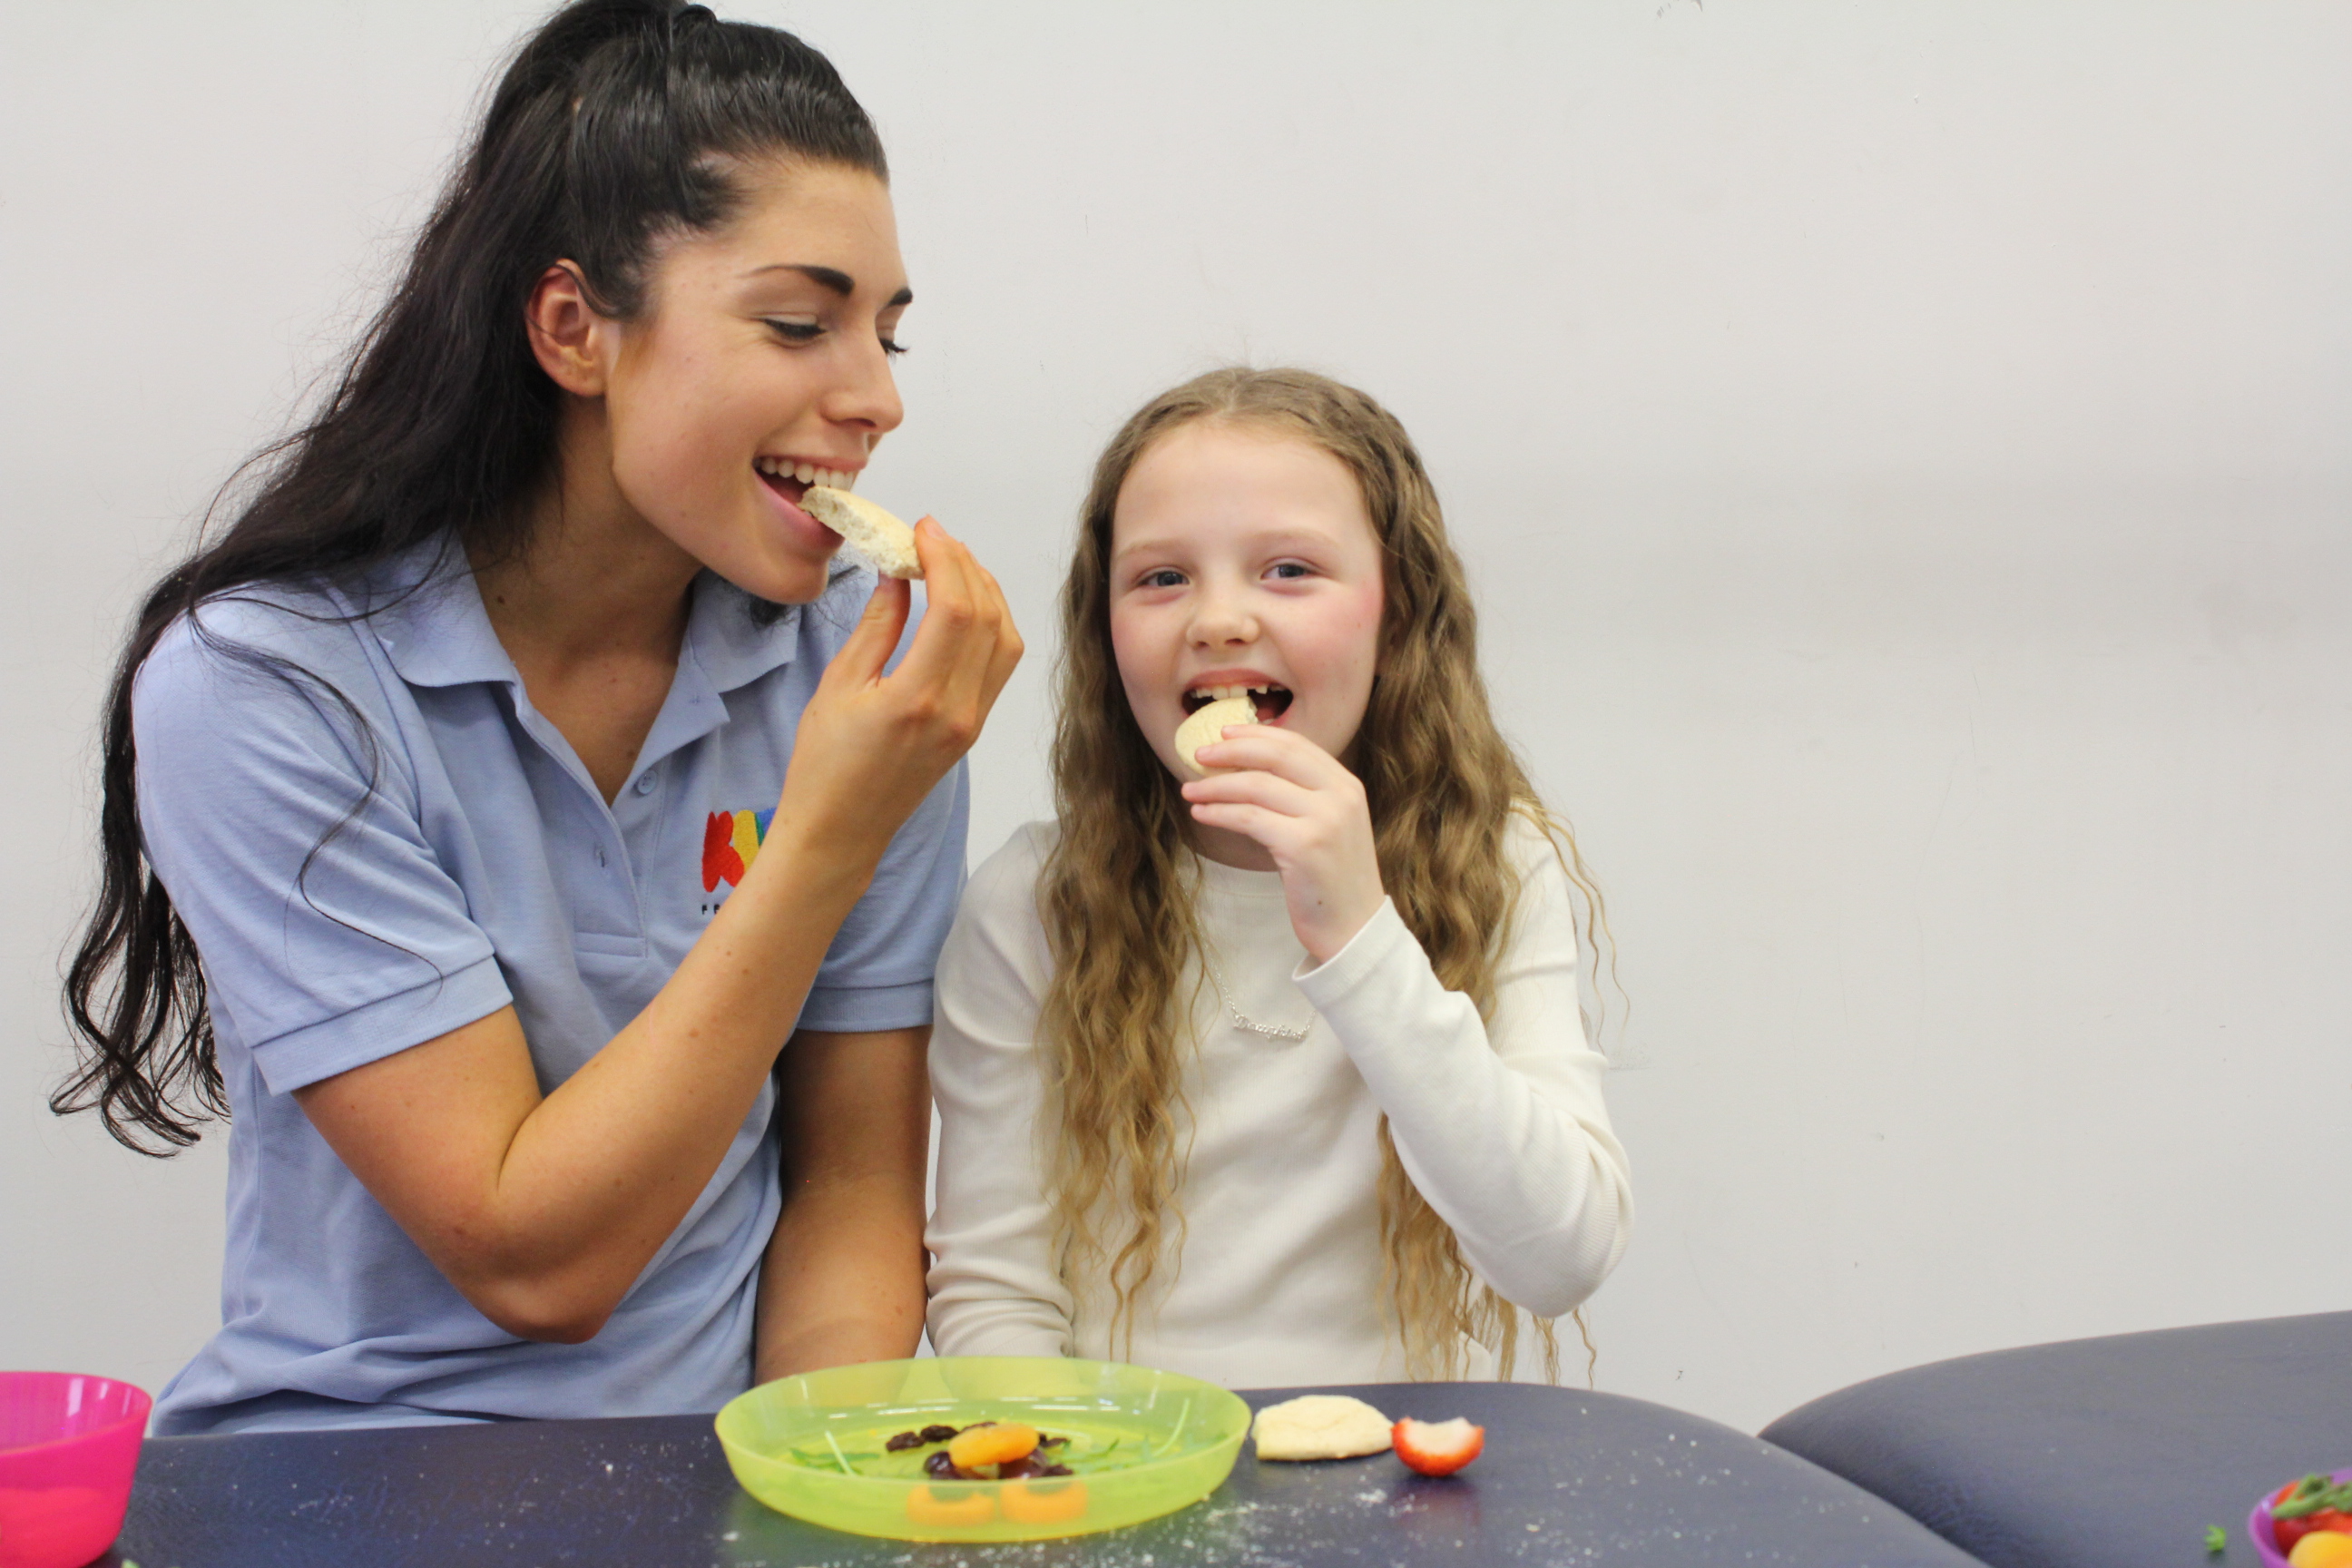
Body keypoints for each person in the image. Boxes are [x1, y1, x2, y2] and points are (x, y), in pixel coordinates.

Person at [53, 0, 1021, 1434]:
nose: (874, 396)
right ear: (575, 329)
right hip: (342, 1482)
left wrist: (812, 1501)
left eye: (887, 334)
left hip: (718, 1480)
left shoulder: (854, 681)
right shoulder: (266, 687)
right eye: (800, 322)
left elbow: (853, 1189)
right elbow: (531, 1259)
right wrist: (826, 830)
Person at [926, 368, 1633, 1387]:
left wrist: (1359, 937)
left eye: (1289, 570)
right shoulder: (1036, 904)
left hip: (1402, 1480)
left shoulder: (1497, 865)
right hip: (1129, 1480)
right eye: (1161, 578)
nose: (1218, 619)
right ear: (1106, 635)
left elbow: (1560, 1256)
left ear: (1396, 619)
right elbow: (996, 1292)